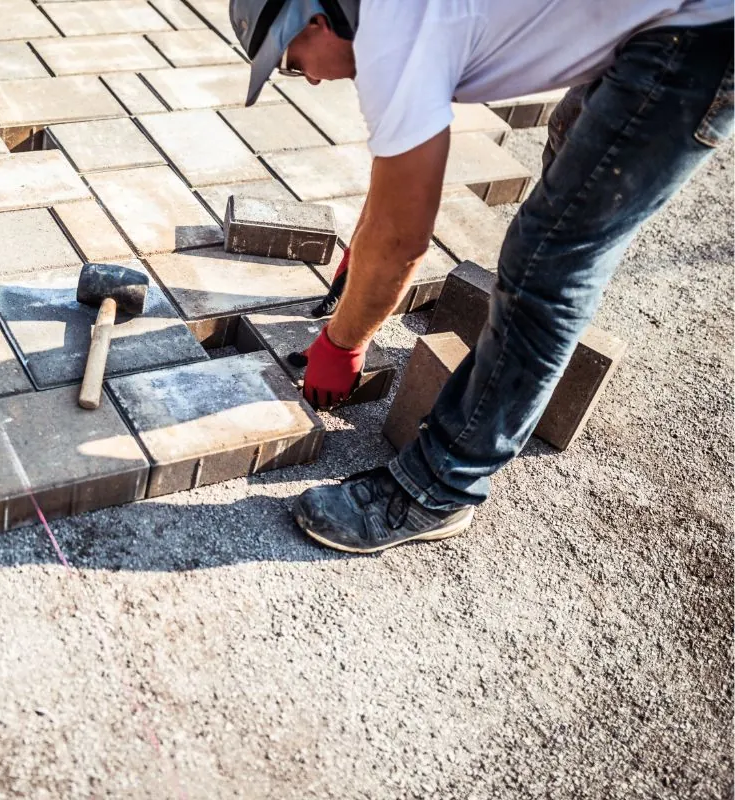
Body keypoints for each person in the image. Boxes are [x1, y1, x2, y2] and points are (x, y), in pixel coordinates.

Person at [229, 0, 733, 553]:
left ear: (316, 23)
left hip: (702, 35)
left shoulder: (391, 39)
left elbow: (403, 239)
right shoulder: (386, 18)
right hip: (658, 18)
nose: (311, 81)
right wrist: (364, 248)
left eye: (295, 65)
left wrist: (344, 341)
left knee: (545, 264)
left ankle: (440, 486)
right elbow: (399, 179)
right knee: (570, 141)